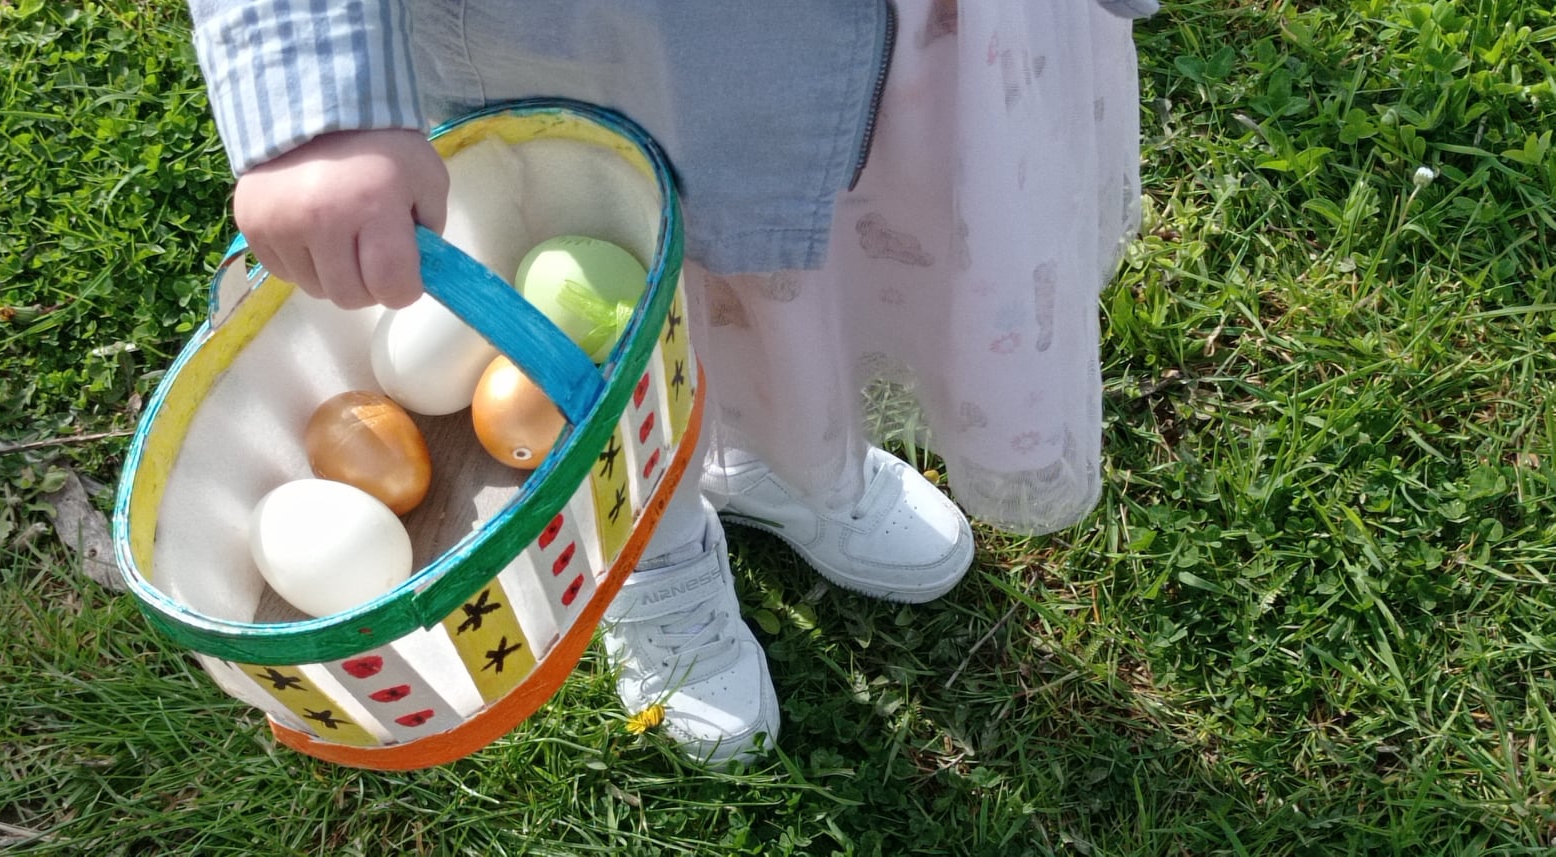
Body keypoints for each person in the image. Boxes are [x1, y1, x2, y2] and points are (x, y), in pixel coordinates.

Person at [186, 0, 1156, 765]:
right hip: (602, 35)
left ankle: (792, 456)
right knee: (609, 275)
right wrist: (313, 99)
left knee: (833, 241)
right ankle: (647, 541)